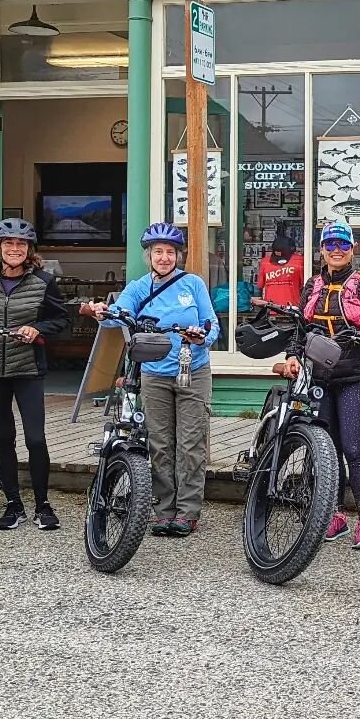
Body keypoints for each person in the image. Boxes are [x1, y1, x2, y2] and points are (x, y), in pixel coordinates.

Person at [84, 223, 218, 538]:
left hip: (192, 370)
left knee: (191, 443)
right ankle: (163, 510)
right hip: (154, 372)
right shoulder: (139, 286)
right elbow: (119, 313)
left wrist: (202, 337)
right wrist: (102, 312)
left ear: (178, 255)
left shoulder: (193, 284)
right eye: (158, 252)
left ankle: (187, 512)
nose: (164, 257)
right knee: (159, 443)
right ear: (149, 255)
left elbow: (211, 323)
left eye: (170, 252)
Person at [284, 221, 360, 550]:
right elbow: (300, 328)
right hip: (318, 378)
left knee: (354, 450)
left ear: (352, 249)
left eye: (343, 245)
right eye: (330, 245)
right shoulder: (311, 285)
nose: (336, 250)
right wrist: (291, 356)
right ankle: (336, 515)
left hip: (353, 376)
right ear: (321, 250)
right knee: (325, 450)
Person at [0, 218, 70, 532]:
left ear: (29, 250)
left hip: (28, 368)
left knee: (35, 439)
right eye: (9, 244)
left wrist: (36, 328)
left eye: (21, 244)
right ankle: (14, 504)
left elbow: (61, 320)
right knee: (3, 438)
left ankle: (43, 505)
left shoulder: (43, 280)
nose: (15, 249)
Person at [257, 234, 304, 307]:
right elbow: (303, 285)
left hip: (274, 308)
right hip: (290, 309)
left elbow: (260, 286)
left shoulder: (264, 262)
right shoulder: (299, 260)